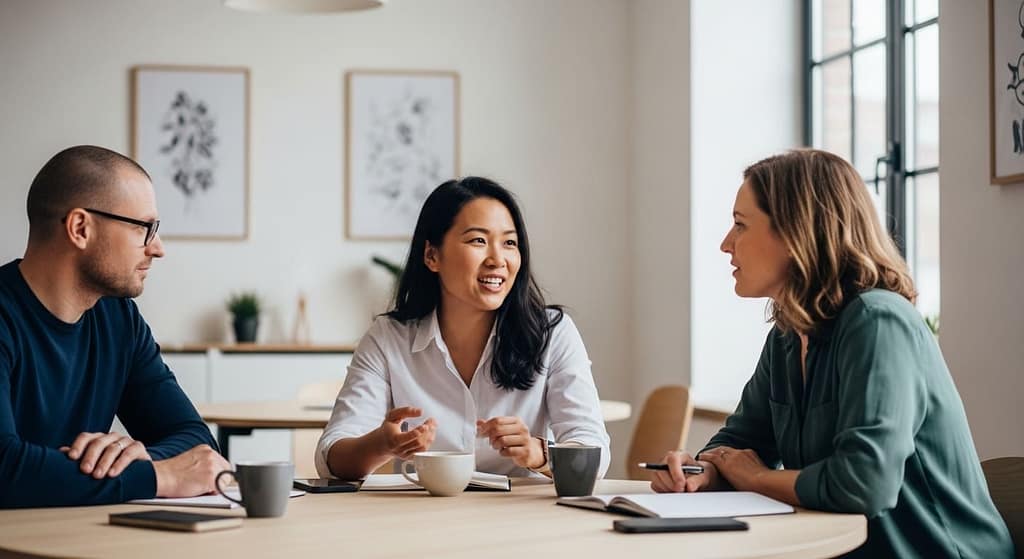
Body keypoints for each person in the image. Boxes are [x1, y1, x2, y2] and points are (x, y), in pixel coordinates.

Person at [651, 149, 1014, 557]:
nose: (725, 244)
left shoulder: (878, 322)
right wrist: (701, 471)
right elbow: (739, 441)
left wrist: (754, 478)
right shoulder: (788, 334)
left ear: (796, 233)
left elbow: (864, 484)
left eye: (740, 225)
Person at [316, 177, 610, 479]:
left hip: (522, 519)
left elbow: (594, 453)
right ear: (432, 256)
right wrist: (381, 444)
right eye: (478, 241)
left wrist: (539, 454)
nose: (498, 260)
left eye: (509, 243)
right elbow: (332, 457)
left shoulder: (553, 334)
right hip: (420, 519)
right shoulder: (389, 338)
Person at [0, 145, 230, 508]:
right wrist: (161, 475)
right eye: (145, 228)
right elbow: (4, 469)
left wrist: (135, 458)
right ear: (80, 228)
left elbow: (194, 440)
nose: (158, 248)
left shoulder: (119, 319)